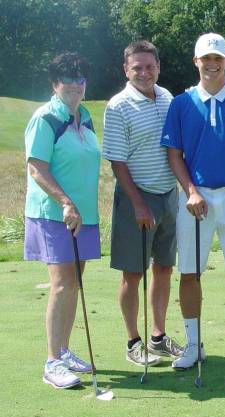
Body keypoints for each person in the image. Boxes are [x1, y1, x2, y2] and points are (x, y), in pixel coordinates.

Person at [161, 33, 225, 373]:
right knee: (189, 273)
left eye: (217, 58)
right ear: (196, 61)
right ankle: (193, 343)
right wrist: (191, 190)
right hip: (195, 198)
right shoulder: (181, 103)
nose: (212, 63)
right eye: (206, 58)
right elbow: (174, 154)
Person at [103, 40, 183, 367]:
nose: (144, 73)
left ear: (158, 67)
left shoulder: (167, 98)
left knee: (164, 268)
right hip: (137, 198)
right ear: (126, 69)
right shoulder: (118, 105)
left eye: (149, 66)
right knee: (133, 274)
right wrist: (138, 204)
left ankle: (158, 337)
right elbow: (118, 163)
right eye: (137, 67)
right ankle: (134, 341)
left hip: (169, 195)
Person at [24, 52, 101, 389]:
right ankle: (52, 361)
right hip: (56, 214)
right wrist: (65, 201)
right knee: (62, 284)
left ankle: (64, 351)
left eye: (79, 78)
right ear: (55, 83)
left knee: (75, 284)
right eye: (67, 78)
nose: (74, 84)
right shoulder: (46, 118)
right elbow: (36, 168)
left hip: (84, 216)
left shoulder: (84, 118)